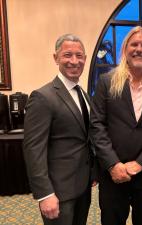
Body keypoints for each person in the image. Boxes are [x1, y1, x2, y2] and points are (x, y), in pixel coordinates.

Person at [89, 26, 142, 225]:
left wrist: (140, 163)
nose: (139, 49)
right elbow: (97, 125)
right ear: (125, 50)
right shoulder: (106, 82)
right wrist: (113, 164)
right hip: (112, 175)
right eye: (134, 44)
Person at [23, 34, 94, 225]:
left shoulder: (84, 95)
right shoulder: (42, 97)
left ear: (85, 59)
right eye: (67, 55)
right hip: (58, 192)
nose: (74, 61)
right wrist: (44, 194)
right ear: (56, 58)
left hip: (82, 186)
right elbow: (33, 149)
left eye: (79, 56)